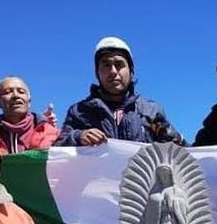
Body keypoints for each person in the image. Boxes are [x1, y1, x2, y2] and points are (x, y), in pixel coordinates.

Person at [55, 36, 183, 146]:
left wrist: (177, 140)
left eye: (119, 64)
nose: (113, 71)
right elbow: (57, 151)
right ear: (97, 73)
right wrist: (78, 136)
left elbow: (182, 156)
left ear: (131, 71)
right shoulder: (79, 111)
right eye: (106, 65)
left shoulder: (152, 111)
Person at [0, 76, 59, 153]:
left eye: (21, 92)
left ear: (29, 101)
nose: (15, 95)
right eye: (7, 92)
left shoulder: (52, 133)